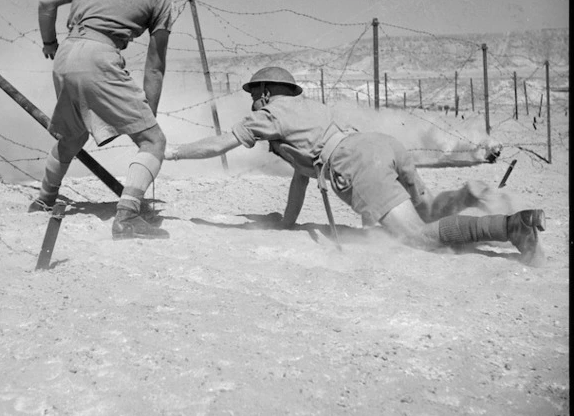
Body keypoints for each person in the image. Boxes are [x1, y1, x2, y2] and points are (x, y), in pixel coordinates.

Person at [164, 66, 546, 267]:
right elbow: (301, 179)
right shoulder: (307, 111)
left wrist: (172, 152)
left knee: (419, 238)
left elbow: (219, 144)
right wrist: (287, 223)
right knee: (427, 213)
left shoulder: (268, 116)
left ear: (264, 92)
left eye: (253, 94)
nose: (252, 102)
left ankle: (511, 226)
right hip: (379, 144)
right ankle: (468, 194)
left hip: (354, 164)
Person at [30, 0, 177, 240]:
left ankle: (43, 199)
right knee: (153, 142)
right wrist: (149, 111)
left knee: (72, 134)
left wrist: (49, 42)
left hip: (66, 53)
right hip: (101, 56)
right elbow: (155, 64)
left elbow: (47, 0)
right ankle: (127, 218)